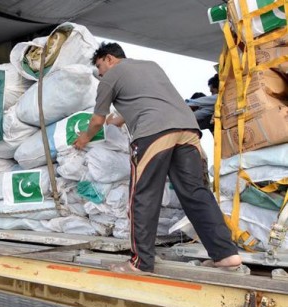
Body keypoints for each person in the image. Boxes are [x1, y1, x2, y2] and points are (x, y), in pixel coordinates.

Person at [73, 42, 242, 273]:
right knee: (195, 192)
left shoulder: (110, 77)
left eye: (100, 66)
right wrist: (121, 119)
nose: (100, 73)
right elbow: (150, 101)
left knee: (143, 195)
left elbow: (97, 121)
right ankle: (226, 255)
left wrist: (84, 138)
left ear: (110, 59)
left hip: (153, 133)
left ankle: (140, 263)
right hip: (188, 129)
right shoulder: (151, 66)